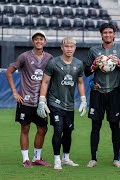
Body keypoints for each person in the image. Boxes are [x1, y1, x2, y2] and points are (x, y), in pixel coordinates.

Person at [83, 23, 120, 168]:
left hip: (115, 92)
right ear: (101, 35)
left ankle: (116, 158)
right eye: (105, 33)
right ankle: (93, 158)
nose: (108, 35)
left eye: (110, 32)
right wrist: (94, 66)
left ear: (114, 34)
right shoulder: (94, 50)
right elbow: (87, 72)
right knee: (95, 125)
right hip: (98, 92)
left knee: (115, 126)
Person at [37, 37, 87, 170]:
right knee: (58, 129)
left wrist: (83, 100)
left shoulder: (79, 64)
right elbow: (45, 82)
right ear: (62, 47)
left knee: (68, 131)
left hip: (69, 105)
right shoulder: (53, 63)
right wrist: (42, 99)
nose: (69, 49)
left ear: (75, 48)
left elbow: (80, 82)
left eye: (72, 46)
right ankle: (57, 159)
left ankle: (66, 158)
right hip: (55, 103)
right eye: (67, 46)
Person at [5, 30, 53, 168]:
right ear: (33, 41)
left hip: (41, 101)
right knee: (25, 128)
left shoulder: (49, 57)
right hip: (25, 100)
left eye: (41, 39)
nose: (39, 41)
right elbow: (9, 72)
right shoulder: (24, 56)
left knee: (42, 129)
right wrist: (14, 92)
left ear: (45, 41)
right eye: (36, 39)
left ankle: (37, 158)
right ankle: (26, 160)